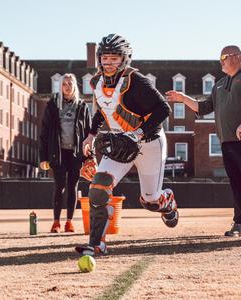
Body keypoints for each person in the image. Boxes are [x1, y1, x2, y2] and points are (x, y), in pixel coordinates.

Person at [75, 34, 175, 256]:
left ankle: (166, 200)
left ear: (125, 59)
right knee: (99, 187)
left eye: (114, 58)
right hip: (120, 142)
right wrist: (91, 134)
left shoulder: (137, 81)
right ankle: (97, 244)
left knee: (150, 201)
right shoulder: (96, 82)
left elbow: (163, 109)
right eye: (105, 58)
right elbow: (102, 109)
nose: (108, 63)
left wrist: (138, 133)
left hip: (149, 142)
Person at [166, 45, 241, 237]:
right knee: (236, 183)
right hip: (227, 141)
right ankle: (240, 224)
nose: (221, 61)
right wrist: (183, 98)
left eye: (223, 57)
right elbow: (203, 107)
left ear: (236, 57)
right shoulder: (220, 84)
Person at [39, 74, 92, 233]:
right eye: (64, 84)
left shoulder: (82, 106)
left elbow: (89, 133)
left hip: (76, 153)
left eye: (70, 83)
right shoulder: (53, 105)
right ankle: (56, 222)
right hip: (58, 153)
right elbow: (44, 133)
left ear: (75, 86)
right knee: (59, 187)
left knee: (73, 187)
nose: (67, 86)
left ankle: (69, 221)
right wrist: (43, 157)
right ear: (60, 87)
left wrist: (90, 156)